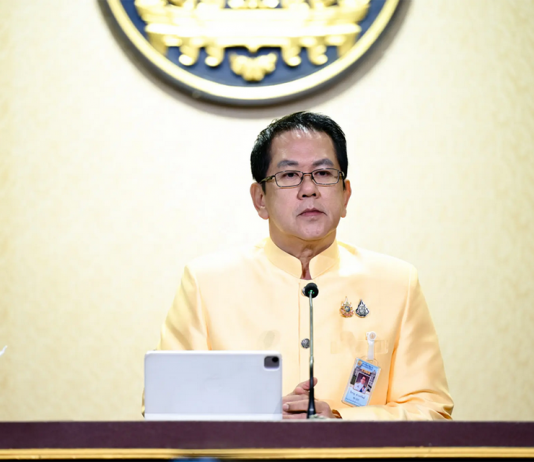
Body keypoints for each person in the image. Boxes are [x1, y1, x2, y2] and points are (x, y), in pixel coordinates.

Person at [157, 111, 453, 420]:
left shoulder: (396, 283)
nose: (309, 189)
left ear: (345, 195)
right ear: (260, 199)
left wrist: (340, 423)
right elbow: (165, 403)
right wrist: (262, 416)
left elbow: (431, 410)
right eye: (289, 175)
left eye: (323, 173)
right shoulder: (207, 283)